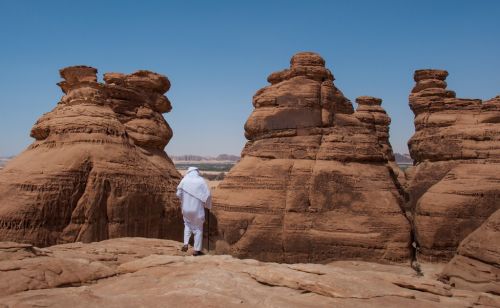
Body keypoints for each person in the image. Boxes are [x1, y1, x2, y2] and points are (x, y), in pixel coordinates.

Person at [176, 167, 212, 256]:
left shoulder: (184, 180)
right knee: (198, 229)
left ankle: (185, 244)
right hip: (197, 209)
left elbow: (178, 194)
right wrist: (207, 205)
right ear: (196, 172)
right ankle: (197, 250)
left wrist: (184, 200)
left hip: (186, 209)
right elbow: (208, 195)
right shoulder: (201, 181)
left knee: (187, 224)